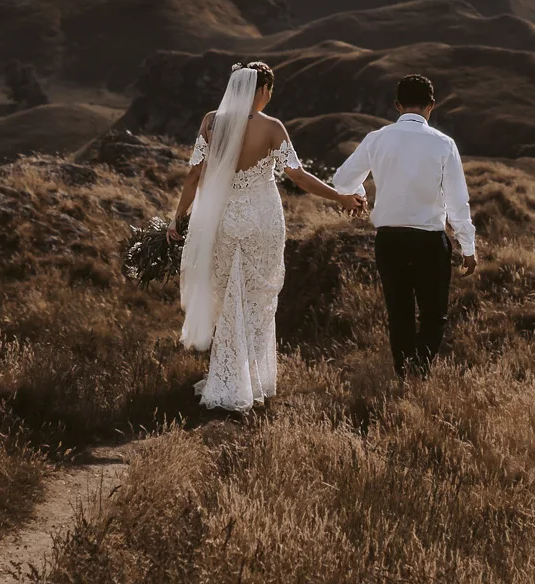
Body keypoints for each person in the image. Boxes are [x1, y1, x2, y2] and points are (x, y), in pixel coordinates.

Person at [168, 62, 364, 412]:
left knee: (228, 295)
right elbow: (300, 178)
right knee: (256, 298)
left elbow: (193, 175)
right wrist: (341, 197)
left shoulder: (212, 121)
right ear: (260, 90)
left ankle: (227, 378)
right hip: (262, 221)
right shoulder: (272, 128)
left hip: (225, 219)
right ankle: (252, 379)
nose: (269, 96)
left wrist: (178, 218)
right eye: (269, 90)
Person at [330, 74, 477, 375]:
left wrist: (359, 196)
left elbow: (342, 179)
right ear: (432, 106)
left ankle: (404, 373)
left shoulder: (376, 139)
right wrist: (468, 247)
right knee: (434, 315)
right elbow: (457, 202)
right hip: (429, 240)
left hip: (389, 239)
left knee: (400, 313)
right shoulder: (444, 144)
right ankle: (418, 371)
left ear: (397, 105)